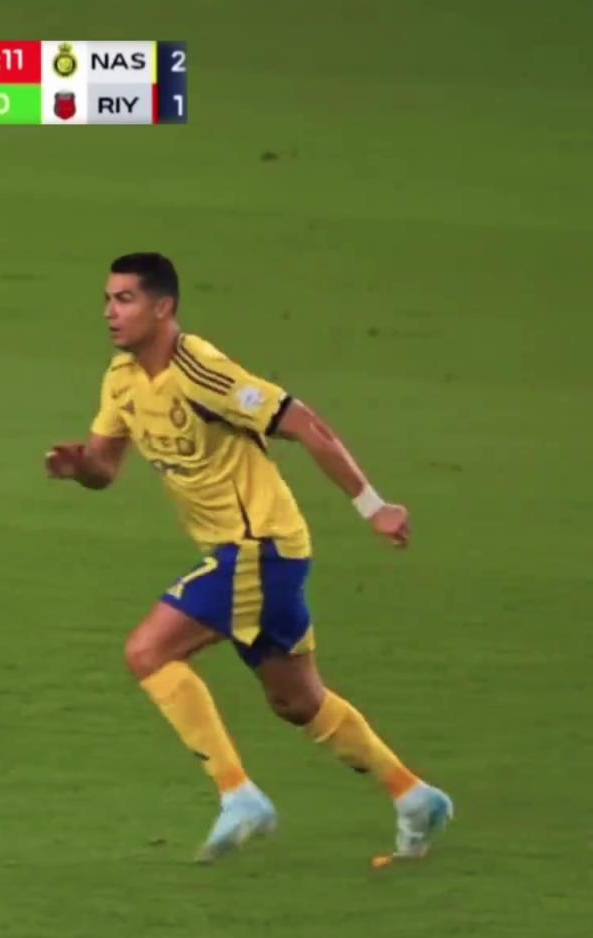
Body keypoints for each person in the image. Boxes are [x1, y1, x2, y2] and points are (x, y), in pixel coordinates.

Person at [45, 252, 452, 864]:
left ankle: (238, 795)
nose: (110, 311)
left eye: (125, 299)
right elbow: (105, 467)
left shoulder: (202, 372)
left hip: (258, 547)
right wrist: (80, 468)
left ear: (163, 308)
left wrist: (374, 507)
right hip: (257, 554)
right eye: (107, 298)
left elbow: (306, 424)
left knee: (147, 652)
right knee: (297, 702)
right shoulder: (122, 377)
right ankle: (414, 796)